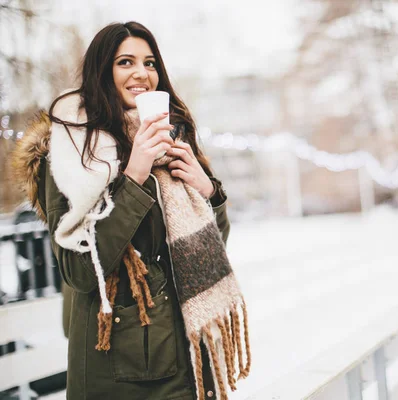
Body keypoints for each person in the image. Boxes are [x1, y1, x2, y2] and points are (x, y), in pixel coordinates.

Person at [12, 21, 250, 400]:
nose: (142, 73)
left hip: (188, 351)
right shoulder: (70, 152)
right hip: (122, 368)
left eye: (150, 62)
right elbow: (80, 273)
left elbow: (210, 249)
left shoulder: (173, 138)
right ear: (102, 72)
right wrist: (134, 174)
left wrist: (209, 192)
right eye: (126, 62)